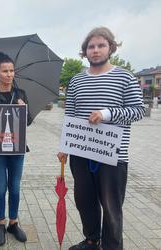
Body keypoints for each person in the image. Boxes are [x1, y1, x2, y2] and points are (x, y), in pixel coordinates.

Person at [57, 27, 145, 250]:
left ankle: (112, 246)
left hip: (113, 155)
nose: (95, 50)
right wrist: (65, 146)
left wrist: (107, 114)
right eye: (91, 46)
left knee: (111, 206)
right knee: (84, 201)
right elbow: (71, 116)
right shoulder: (76, 81)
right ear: (85, 51)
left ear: (111, 48)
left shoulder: (124, 77)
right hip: (81, 152)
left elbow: (138, 110)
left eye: (100, 45)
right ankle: (91, 240)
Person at [0, 52, 32, 246]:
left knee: (15, 188)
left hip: (17, 148)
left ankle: (13, 222)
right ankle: (1, 223)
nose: (9, 74)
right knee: (1, 188)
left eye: (12, 70)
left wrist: (24, 108)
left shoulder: (21, 94)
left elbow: (28, 122)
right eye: (5, 71)